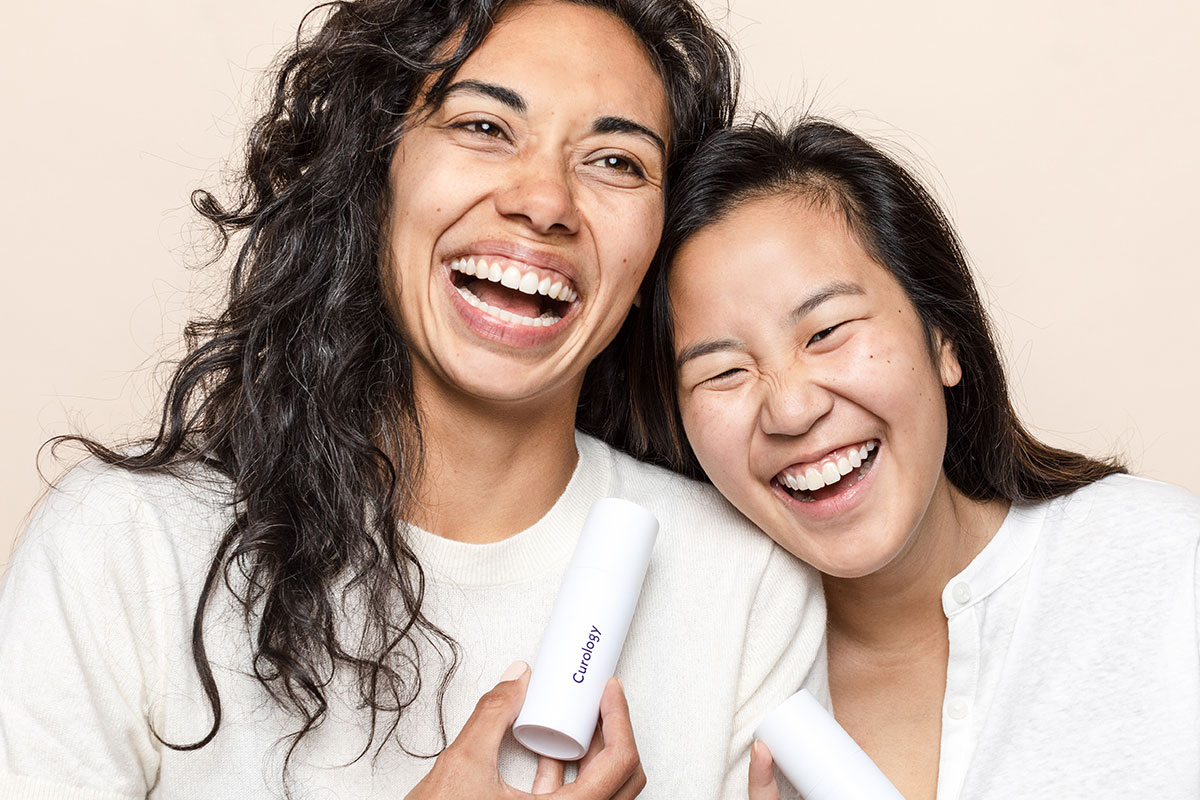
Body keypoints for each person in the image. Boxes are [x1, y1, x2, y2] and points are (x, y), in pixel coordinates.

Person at [0, 4, 827, 799]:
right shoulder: (126, 548)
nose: (543, 203)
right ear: (376, 172)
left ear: (656, 252)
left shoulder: (745, 583)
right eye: (483, 127)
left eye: (616, 160)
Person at [628, 117, 1200, 800]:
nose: (790, 410)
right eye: (723, 372)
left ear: (944, 339)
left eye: (827, 332)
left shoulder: (1166, 566)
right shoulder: (681, 682)